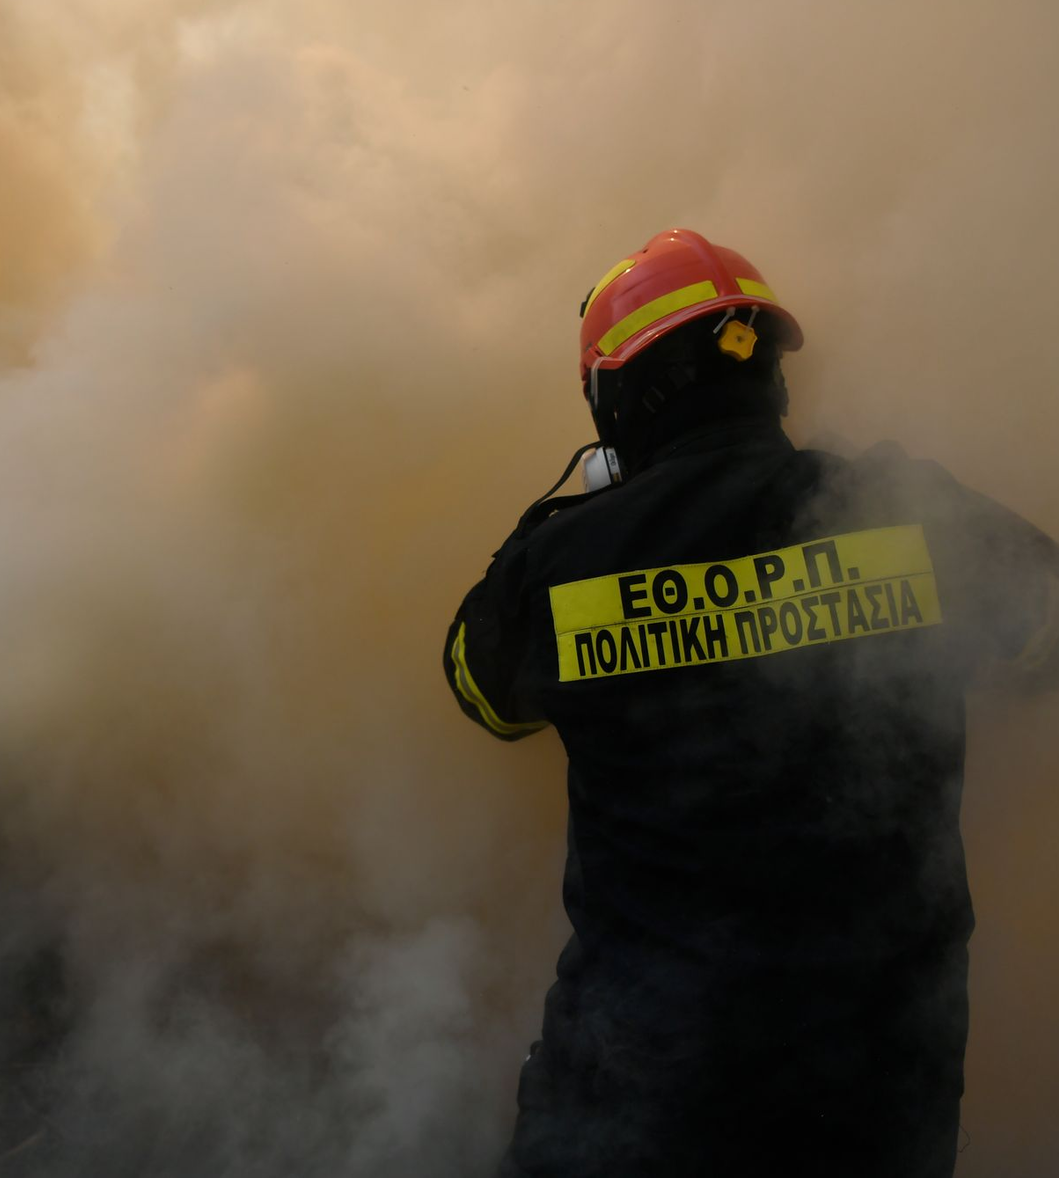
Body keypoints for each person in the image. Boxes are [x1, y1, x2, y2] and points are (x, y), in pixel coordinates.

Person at [443, 228, 1059, 1178]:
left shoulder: (567, 564)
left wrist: (558, 519)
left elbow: (482, 692)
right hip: (881, 1091)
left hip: (643, 1096)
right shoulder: (900, 511)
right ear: (770, 374)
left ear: (618, 399)